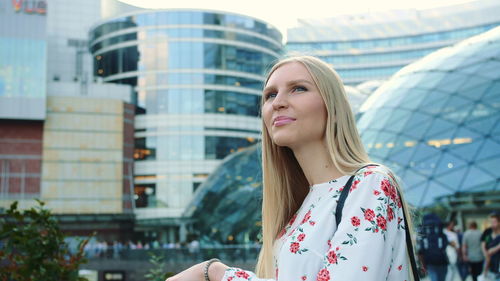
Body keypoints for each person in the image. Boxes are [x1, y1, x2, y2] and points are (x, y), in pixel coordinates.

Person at [165, 56, 414, 281]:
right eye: (270, 95)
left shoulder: (370, 184)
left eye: (298, 88)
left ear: (333, 107)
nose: (278, 103)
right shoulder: (301, 206)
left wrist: (217, 274)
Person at [418, 213, 449, 281]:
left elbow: (420, 253)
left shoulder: (424, 238)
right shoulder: (442, 236)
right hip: (443, 262)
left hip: (430, 263)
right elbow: (445, 246)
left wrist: (423, 265)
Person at [481, 212, 500, 280]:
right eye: (490, 222)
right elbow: (483, 243)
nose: (492, 224)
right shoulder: (487, 231)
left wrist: (494, 249)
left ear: (499, 222)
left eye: (494, 222)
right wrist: (485, 253)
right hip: (489, 263)